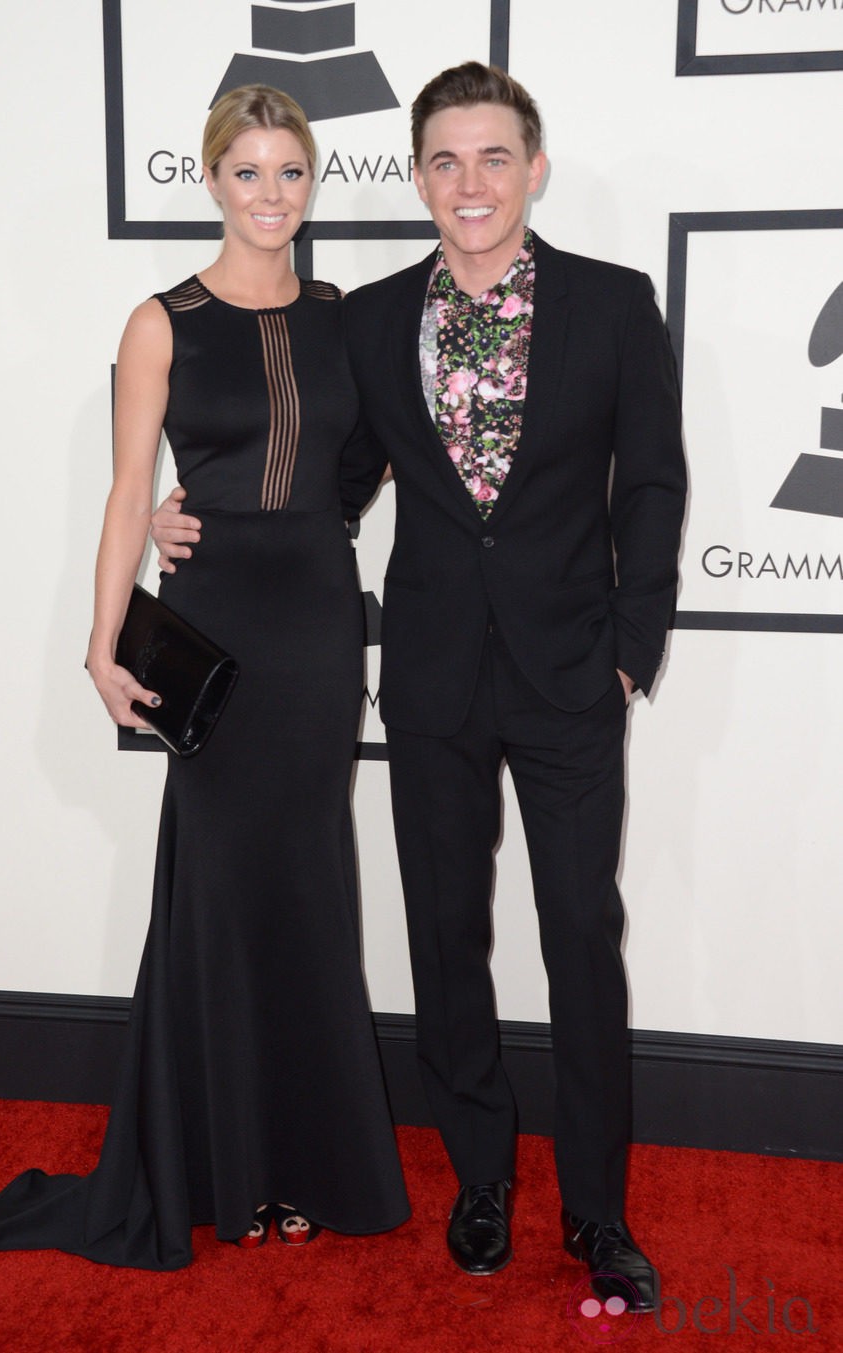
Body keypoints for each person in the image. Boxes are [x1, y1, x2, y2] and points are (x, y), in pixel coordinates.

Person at [150, 63, 686, 1310]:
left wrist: (630, 644)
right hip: (432, 675)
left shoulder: (614, 306)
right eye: (443, 161)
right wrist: (198, 518)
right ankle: (483, 1183)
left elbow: (649, 482)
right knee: (446, 946)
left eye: (492, 157)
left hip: (565, 678)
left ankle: (597, 1215)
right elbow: (324, 481)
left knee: (579, 941)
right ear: (415, 179)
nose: (470, 183)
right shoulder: (371, 316)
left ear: (532, 168)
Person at [0, 85, 409, 1271]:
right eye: (247, 173)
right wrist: (101, 646)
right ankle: (224, 1171)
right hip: (213, 632)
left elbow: (353, 463)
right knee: (216, 891)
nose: (270, 196)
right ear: (210, 181)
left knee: (309, 893)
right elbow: (123, 494)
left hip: (315, 623)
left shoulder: (342, 315)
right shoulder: (160, 320)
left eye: (290, 173)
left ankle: (306, 1169)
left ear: (313, 184)